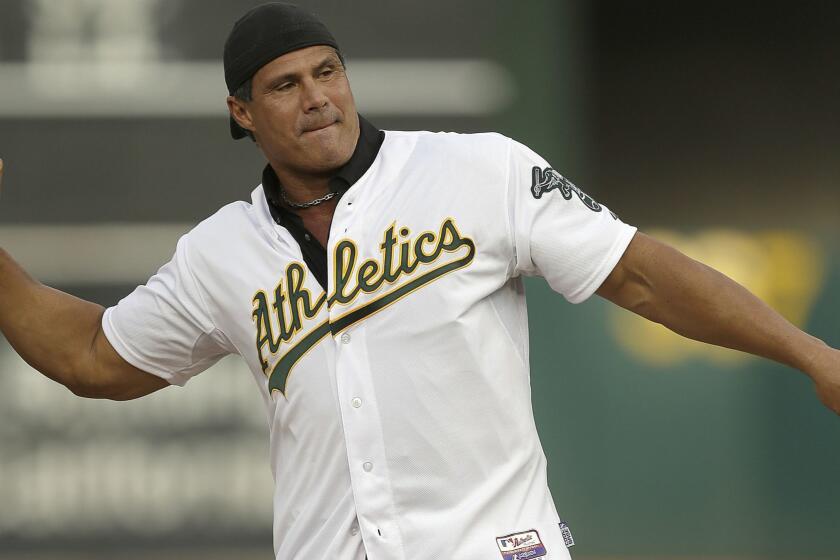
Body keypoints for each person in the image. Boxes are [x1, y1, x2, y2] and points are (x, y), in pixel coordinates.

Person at [1, 3, 838, 559]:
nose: (317, 97)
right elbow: (89, 356)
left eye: (327, 71)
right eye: (285, 85)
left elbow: (645, 277)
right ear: (242, 114)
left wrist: (810, 354)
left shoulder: (476, 171)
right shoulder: (223, 251)